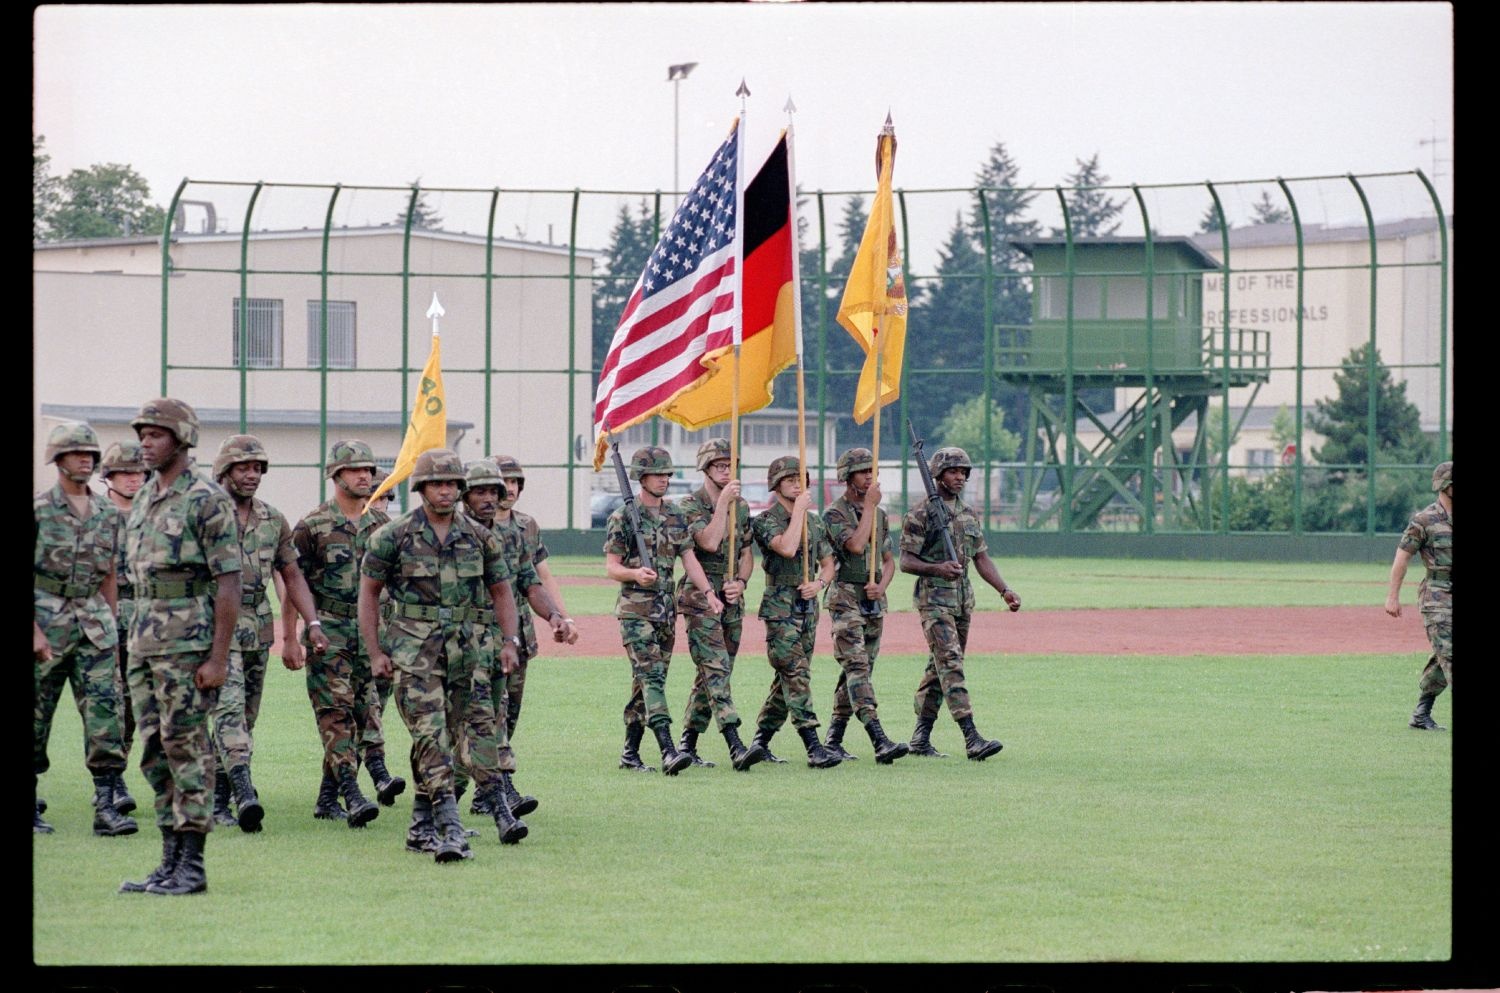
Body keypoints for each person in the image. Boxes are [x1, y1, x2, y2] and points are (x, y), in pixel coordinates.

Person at [359, 448, 528, 860]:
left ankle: (420, 826)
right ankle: (450, 830)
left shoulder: (480, 537)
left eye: (453, 483)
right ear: (420, 488)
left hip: (467, 654)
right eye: (437, 483)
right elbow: (368, 592)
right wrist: (375, 652)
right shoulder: (392, 536)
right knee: (429, 735)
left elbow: (502, 590)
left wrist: (510, 642)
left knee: (466, 735)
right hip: (414, 654)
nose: (446, 490)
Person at [118, 398, 240, 895]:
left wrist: (217, 658)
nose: (145, 442)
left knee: (186, 748)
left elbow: (229, 584)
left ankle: (192, 865)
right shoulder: (146, 497)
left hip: (188, 645)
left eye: (156, 434)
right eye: (142, 434)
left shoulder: (206, 499)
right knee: (152, 751)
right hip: (144, 642)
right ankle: (167, 859)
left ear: (182, 439)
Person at [208, 435, 329, 832]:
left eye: (258, 468)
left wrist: (309, 625)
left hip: (257, 629)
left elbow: (291, 574)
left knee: (244, 716)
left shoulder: (273, 519)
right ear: (224, 470)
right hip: (214, 628)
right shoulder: (204, 514)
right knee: (227, 712)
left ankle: (218, 802)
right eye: (244, 467)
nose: (253, 474)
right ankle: (245, 792)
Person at [33, 421, 137, 837]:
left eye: (90, 455)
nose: (84, 459)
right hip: (46, 621)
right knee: (37, 717)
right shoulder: (40, 511)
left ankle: (107, 805)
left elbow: (109, 571)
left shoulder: (108, 513)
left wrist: (110, 624)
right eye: (76, 453)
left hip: (94, 624)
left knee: (105, 714)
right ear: (57, 459)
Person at [287, 440, 398, 828]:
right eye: (355, 470)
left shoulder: (383, 527)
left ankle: (326, 798)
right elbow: (292, 582)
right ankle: (351, 791)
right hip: (328, 631)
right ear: (336, 476)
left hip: (372, 634)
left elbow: (397, 584)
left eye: (369, 470)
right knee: (334, 712)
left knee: (364, 712)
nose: (365, 476)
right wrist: (290, 634)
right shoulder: (313, 525)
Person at [455, 458, 565, 821]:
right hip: (463, 644)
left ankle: (457, 794)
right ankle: (503, 795)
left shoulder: (517, 532)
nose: (495, 496)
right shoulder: (449, 534)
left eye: (500, 488)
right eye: (482, 490)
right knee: (488, 720)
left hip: (508, 642)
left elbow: (529, 581)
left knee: (501, 717)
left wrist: (555, 617)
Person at [603, 446, 723, 775]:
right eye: (658, 474)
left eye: (668, 474)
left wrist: (708, 592)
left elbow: (690, 559)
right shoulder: (624, 516)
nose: (664, 480)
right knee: (652, 677)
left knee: (647, 683)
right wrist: (634, 574)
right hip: (635, 612)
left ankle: (630, 752)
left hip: (666, 611)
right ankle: (668, 750)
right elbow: (611, 567)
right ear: (641, 477)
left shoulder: (675, 515)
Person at [899, 446, 1020, 761]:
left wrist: (1004, 590)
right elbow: (906, 561)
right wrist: (936, 568)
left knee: (939, 667)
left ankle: (920, 738)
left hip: (962, 601)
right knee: (950, 663)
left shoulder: (968, 513)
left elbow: (981, 557)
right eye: (953, 471)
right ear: (938, 474)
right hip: (934, 600)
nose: (960, 477)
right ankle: (971, 737)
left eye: (964, 472)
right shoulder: (920, 513)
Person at [674, 438, 765, 771]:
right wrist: (723, 503)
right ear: (706, 469)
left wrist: (740, 583)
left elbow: (745, 554)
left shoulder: (741, 508)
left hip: (730, 596)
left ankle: (688, 742)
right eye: (720, 466)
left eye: (730, 465)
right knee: (715, 669)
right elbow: (709, 543)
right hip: (701, 597)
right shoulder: (690, 505)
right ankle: (735, 744)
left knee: (713, 672)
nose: (727, 471)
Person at [749, 455, 841, 769]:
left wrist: (819, 584)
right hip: (779, 605)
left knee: (787, 678)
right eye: (789, 479)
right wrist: (799, 512)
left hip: (807, 606)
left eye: (800, 478)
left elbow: (829, 564)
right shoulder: (765, 520)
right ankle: (813, 745)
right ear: (776, 485)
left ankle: (760, 741)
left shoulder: (817, 522)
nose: (796, 483)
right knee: (795, 673)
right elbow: (787, 548)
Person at [821, 448, 907, 764]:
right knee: (856, 665)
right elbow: (855, 546)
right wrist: (869, 507)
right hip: (845, 598)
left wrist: (881, 586)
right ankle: (878, 738)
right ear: (847, 476)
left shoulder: (881, 516)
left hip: (872, 602)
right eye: (862, 471)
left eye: (872, 471)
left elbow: (887, 561)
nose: (869, 477)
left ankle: (834, 738)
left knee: (858, 670)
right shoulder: (835, 513)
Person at [486, 454, 579, 745]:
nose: (510, 488)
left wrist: (562, 617)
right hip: (483, 633)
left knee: (511, 712)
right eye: (504, 481)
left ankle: (494, 782)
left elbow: (540, 578)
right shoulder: (469, 528)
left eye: (515, 481)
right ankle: (497, 784)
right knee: (489, 714)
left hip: (519, 633)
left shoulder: (526, 526)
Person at [99, 440, 149, 817]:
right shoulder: (98, 514)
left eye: (138, 472)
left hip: (150, 618)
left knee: (135, 705)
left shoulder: (153, 513)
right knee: (109, 703)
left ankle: (117, 777)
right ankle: (110, 781)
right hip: (105, 616)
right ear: (109, 477)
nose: (133, 479)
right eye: (125, 473)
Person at [1385, 460, 1453, 731]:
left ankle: (1421, 712)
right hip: (1437, 598)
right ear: (1446, 486)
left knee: (1443, 656)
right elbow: (1402, 558)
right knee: (1450, 652)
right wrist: (1393, 596)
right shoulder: (1424, 520)